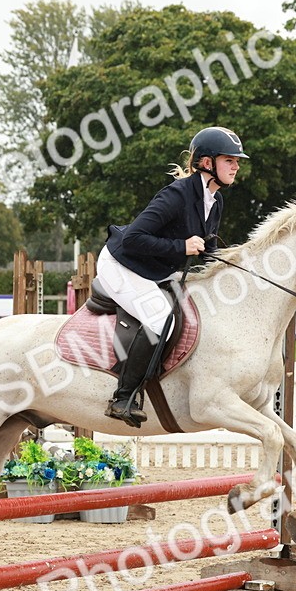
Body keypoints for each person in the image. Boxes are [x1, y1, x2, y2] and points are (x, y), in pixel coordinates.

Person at [96, 125, 248, 426]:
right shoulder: (176, 195)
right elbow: (133, 239)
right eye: (229, 160)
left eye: (237, 160)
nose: (236, 165)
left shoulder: (215, 201)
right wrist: (182, 246)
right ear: (207, 163)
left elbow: (208, 250)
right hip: (121, 264)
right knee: (159, 316)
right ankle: (123, 397)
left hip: (151, 268)